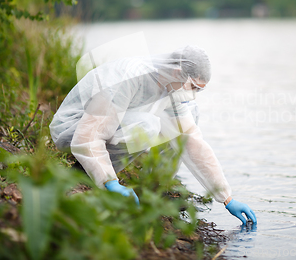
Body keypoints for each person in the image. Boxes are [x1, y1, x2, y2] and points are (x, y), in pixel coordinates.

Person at [50, 45, 257, 225]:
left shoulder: (170, 86)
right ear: (177, 72)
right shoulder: (129, 78)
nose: (194, 94)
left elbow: (192, 142)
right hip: (73, 128)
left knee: (189, 115)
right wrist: (109, 181)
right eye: (193, 87)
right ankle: (88, 172)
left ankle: (155, 188)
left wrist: (226, 197)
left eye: (199, 90)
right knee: (147, 125)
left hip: (102, 128)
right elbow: (87, 136)